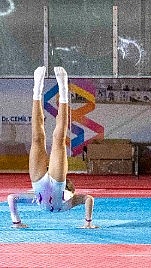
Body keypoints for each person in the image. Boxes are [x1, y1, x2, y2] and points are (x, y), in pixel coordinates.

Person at [7, 66, 97, 229]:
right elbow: (88, 198)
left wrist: (17, 222)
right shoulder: (68, 201)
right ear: (71, 189)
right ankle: (63, 90)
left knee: (37, 139)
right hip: (56, 183)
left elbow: (11, 197)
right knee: (59, 140)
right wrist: (87, 222)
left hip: (39, 183)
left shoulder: (37, 199)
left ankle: (37, 90)